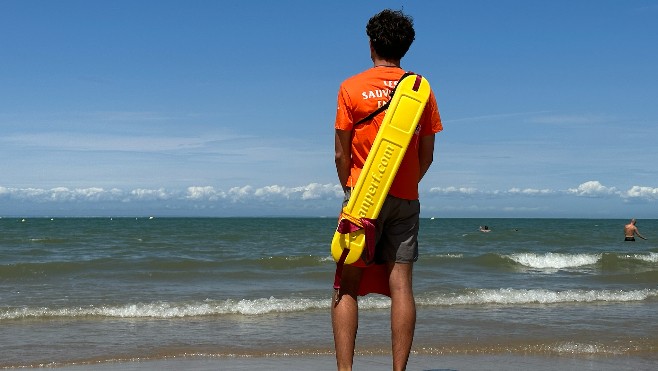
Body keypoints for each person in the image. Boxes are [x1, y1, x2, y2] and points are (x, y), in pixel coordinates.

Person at [332, 9, 442, 371]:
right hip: (407, 197)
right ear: (406, 47)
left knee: (347, 284)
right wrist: (406, 184)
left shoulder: (351, 87)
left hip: (363, 195)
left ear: (371, 44)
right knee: (401, 286)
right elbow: (427, 154)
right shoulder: (420, 89)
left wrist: (352, 189)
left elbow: (340, 152)